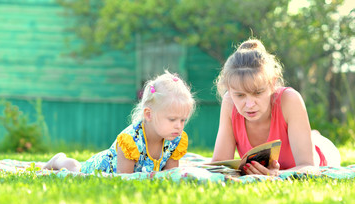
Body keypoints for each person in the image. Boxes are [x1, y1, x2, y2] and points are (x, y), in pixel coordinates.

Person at [212, 38, 341, 176]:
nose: (249, 105)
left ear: (273, 83)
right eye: (240, 95)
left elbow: (308, 166)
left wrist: (276, 175)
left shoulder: (289, 99)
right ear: (229, 90)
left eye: (258, 93)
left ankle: (314, 136)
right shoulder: (229, 102)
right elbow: (220, 164)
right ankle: (310, 134)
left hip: (323, 153)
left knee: (315, 141)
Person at [43, 70, 196, 174]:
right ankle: (59, 160)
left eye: (183, 120)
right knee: (77, 168)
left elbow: (170, 176)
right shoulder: (131, 141)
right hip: (104, 168)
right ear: (149, 114)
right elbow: (124, 179)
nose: (179, 126)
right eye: (172, 119)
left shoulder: (175, 140)